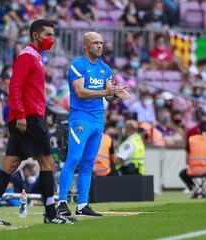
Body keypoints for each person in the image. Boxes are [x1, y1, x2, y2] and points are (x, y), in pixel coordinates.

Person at [0, 19, 75, 227]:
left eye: (52, 35)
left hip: (28, 117)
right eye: (48, 34)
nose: (52, 39)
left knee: (9, 165)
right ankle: (50, 213)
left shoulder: (36, 57)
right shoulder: (28, 56)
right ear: (36, 35)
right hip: (29, 119)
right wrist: (21, 114)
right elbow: (15, 86)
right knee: (48, 163)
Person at [57, 32, 130, 217]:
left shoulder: (105, 68)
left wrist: (115, 93)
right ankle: (62, 203)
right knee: (73, 159)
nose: (99, 46)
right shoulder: (77, 65)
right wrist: (106, 91)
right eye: (95, 43)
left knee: (89, 162)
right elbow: (80, 92)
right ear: (85, 45)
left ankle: (82, 205)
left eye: (101, 43)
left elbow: (109, 97)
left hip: (98, 120)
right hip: (80, 119)